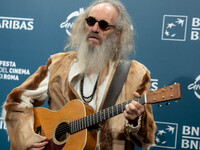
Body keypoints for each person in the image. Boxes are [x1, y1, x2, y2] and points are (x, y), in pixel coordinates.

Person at [3, 0, 157, 150]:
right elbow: (16, 101)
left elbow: (145, 138)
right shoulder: (58, 64)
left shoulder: (135, 74)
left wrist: (135, 120)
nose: (95, 28)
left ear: (117, 34)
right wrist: (26, 137)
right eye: (90, 21)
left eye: (103, 25)